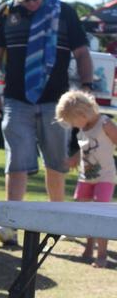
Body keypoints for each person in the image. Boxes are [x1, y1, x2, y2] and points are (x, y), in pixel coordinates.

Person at [0, 0, 96, 248]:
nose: (32, 2)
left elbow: (82, 52)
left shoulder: (64, 13)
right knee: (16, 160)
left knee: (56, 161)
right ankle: (10, 225)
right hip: (16, 99)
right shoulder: (7, 13)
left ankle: (57, 219)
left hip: (55, 103)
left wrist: (86, 86)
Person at [55, 89, 116, 267]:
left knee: (101, 213)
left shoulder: (105, 123)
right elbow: (84, 148)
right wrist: (73, 159)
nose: (73, 125)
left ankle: (102, 254)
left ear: (82, 113)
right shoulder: (83, 128)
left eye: (72, 121)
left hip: (104, 177)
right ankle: (89, 248)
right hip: (86, 177)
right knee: (85, 210)